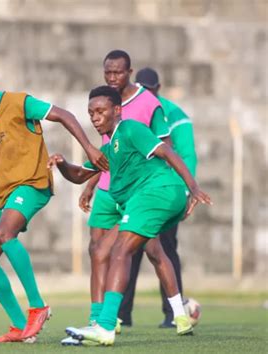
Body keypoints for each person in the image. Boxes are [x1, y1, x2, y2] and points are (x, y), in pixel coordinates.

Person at [0, 61, 108, 343]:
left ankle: (38, 306)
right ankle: (21, 328)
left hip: (33, 184)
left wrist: (89, 147)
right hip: (4, 193)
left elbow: (64, 115)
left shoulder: (17, 102)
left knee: (4, 234)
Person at [49, 85, 212, 346]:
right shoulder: (110, 146)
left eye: (100, 111)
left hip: (157, 192)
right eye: (91, 112)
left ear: (117, 110)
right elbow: (79, 175)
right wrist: (62, 164)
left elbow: (167, 152)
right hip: (147, 200)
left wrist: (193, 187)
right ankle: (180, 317)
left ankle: (104, 326)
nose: (95, 117)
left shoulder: (131, 129)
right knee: (150, 251)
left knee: (119, 252)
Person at [66, 49, 171, 343]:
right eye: (108, 72)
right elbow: (106, 155)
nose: (112, 77)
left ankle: (172, 312)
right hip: (106, 188)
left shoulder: (147, 105)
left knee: (146, 252)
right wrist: (89, 184)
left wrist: (178, 186)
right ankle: (98, 320)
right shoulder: (102, 103)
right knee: (97, 251)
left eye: (118, 72)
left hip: (140, 191)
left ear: (129, 72)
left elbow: (164, 147)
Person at [120, 67, 198, 328]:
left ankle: (172, 314)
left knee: (164, 250)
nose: (146, 92)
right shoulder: (130, 107)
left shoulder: (174, 115)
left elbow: (185, 155)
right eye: (142, 87)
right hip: (138, 191)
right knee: (130, 250)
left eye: (150, 89)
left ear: (158, 89)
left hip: (166, 193)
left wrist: (187, 192)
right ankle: (122, 315)